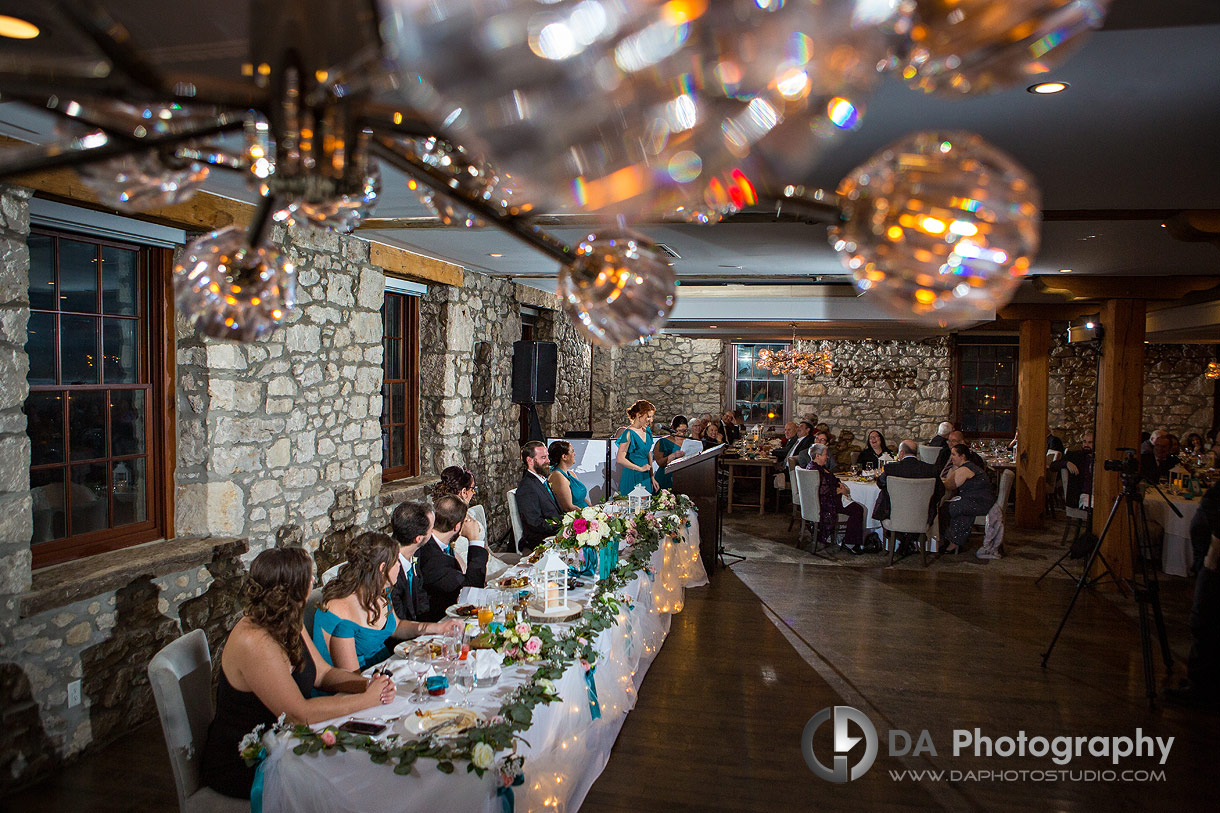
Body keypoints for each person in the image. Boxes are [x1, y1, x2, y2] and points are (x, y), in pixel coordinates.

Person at [201, 547, 398, 799]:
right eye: (310, 577)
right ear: (292, 588)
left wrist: (366, 683)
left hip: (289, 740)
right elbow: (296, 714)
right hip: (247, 759)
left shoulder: (288, 616)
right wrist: (366, 699)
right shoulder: (253, 641)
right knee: (348, 784)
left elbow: (323, 674)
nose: (314, 582)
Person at [314, 532, 462, 670]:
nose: (400, 566)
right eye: (396, 562)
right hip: (359, 683)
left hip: (387, 669)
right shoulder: (336, 608)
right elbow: (345, 677)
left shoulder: (381, 593)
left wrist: (438, 628)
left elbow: (397, 627)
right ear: (382, 568)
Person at [1166, 482, 1220, 708]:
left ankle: (1202, 688)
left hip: (1214, 562)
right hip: (1209, 559)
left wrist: (1212, 557)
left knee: (1204, 619)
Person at [418, 495, 489, 621]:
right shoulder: (432, 558)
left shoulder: (436, 544)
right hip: (436, 621)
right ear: (457, 527)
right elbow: (470, 591)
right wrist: (474, 539)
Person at [874, 440, 944, 555]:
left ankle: (903, 540)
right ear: (916, 453)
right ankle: (910, 539)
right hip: (922, 516)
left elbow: (880, 484)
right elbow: (940, 491)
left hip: (895, 516)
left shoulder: (891, 469)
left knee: (884, 499)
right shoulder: (930, 469)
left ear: (901, 453)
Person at [803, 443, 866, 553]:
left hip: (827, 499)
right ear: (817, 456)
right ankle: (850, 542)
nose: (827, 457)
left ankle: (847, 539)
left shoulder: (818, 467)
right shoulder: (815, 470)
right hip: (826, 503)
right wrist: (841, 490)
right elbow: (823, 490)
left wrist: (839, 484)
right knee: (858, 509)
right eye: (825, 455)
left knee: (856, 507)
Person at [939, 444, 995, 555]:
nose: (951, 457)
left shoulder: (965, 469)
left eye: (954, 454)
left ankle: (951, 541)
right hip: (980, 500)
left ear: (962, 456)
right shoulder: (969, 467)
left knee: (945, 508)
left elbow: (950, 485)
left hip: (978, 502)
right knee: (958, 509)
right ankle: (954, 542)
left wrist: (952, 470)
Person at [389, 500, 433, 622]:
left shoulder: (415, 553)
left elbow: (420, 593)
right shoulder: (390, 569)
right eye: (431, 529)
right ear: (418, 539)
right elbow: (398, 618)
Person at [516, 440, 562, 551]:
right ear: (530, 460)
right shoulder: (527, 487)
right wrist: (561, 528)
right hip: (540, 543)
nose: (548, 461)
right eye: (543, 458)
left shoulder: (541, 481)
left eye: (547, 457)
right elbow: (534, 522)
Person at [617, 399, 658, 495]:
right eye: (648, 417)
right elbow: (620, 459)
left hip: (645, 475)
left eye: (652, 417)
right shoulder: (628, 433)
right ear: (639, 415)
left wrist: (652, 476)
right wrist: (639, 468)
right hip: (632, 474)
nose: (651, 420)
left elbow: (648, 454)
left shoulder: (647, 430)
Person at [1050, 432, 1094, 509]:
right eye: (1084, 441)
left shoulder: (1101, 457)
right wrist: (1066, 463)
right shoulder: (1075, 456)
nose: (1086, 445)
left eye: (1090, 442)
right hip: (1084, 494)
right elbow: (1053, 466)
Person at [547, 439, 589, 511]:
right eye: (572, 451)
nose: (574, 454)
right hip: (576, 517)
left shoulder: (571, 473)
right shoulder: (558, 477)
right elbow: (568, 507)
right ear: (564, 457)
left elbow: (582, 498)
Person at [653, 415, 688, 491]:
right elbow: (660, 462)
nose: (682, 434)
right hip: (666, 476)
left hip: (684, 477)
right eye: (679, 430)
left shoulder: (688, 441)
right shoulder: (663, 442)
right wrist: (673, 455)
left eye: (685, 431)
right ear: (673, 428)